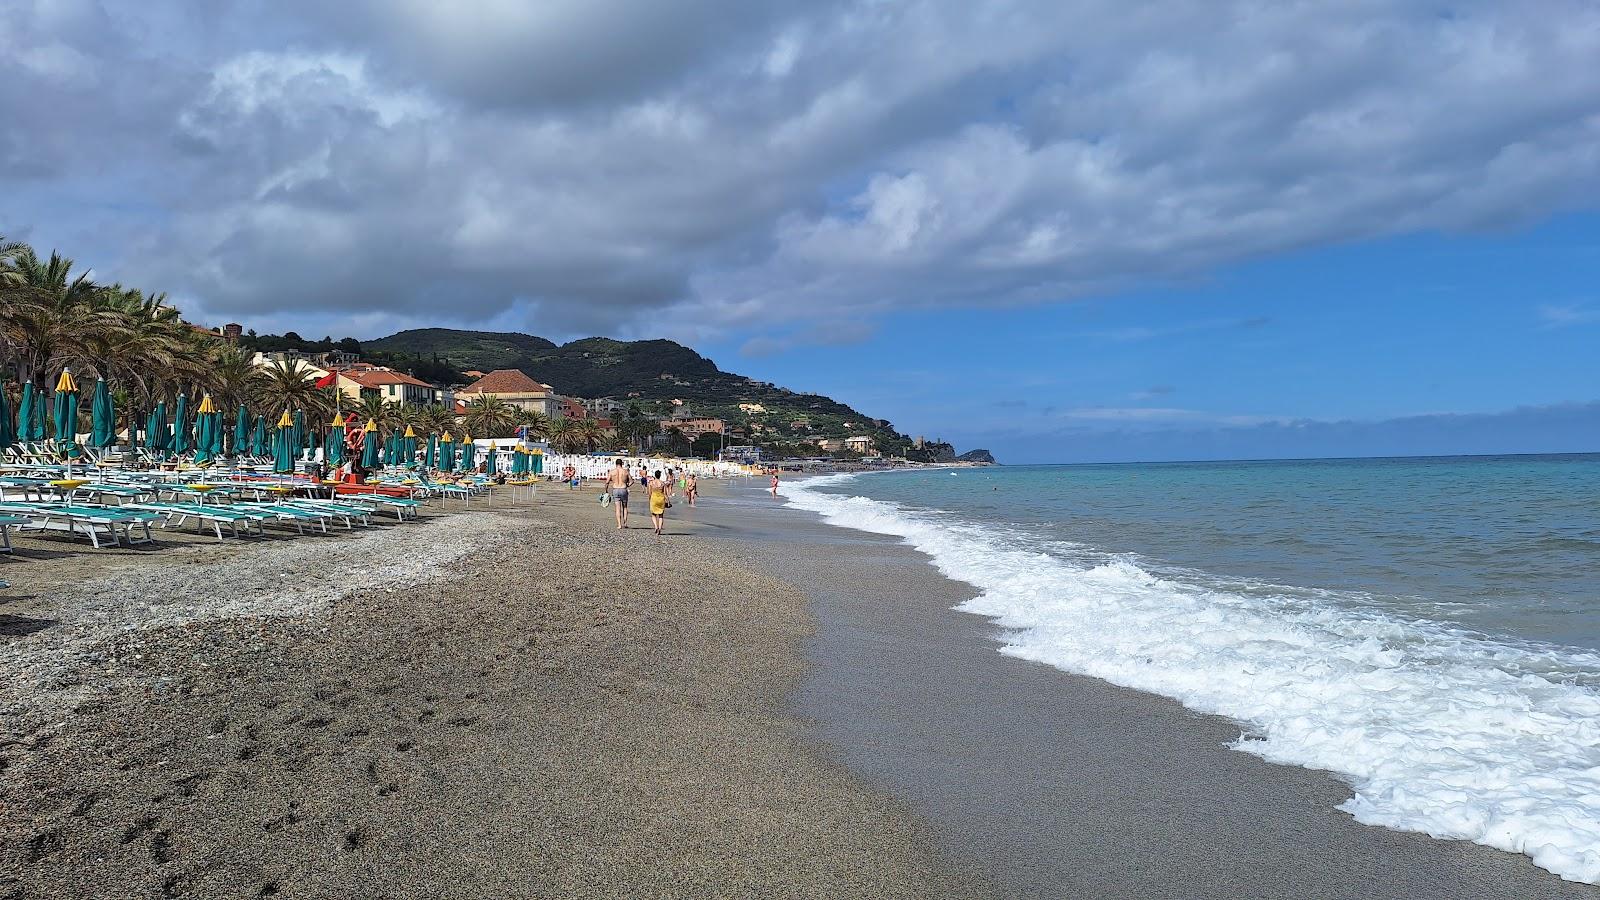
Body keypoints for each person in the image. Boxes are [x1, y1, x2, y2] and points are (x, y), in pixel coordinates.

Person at [606, 459, 631, 529]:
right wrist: (627, 485)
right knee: (625, 507)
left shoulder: (612, 472)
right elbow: (632, 481)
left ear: (616, 464)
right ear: (621, 464)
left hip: (616, 489)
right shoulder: (625, 471)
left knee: (617, 508)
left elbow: (607, 482)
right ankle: (625, 523)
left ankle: (619, 525)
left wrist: (606, 490)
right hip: (623, 489)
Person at [649, 469, 669, 536]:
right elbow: (665, 494)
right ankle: (660, 529)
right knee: (661, 515)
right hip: (661, 499)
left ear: (655, 475)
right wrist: (668, 501)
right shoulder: (663, 483)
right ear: (660, 476)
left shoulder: (651, 483)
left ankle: (656, 527)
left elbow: (649, 493)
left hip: (654, 498)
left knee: (653, 514)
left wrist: (649, 499)